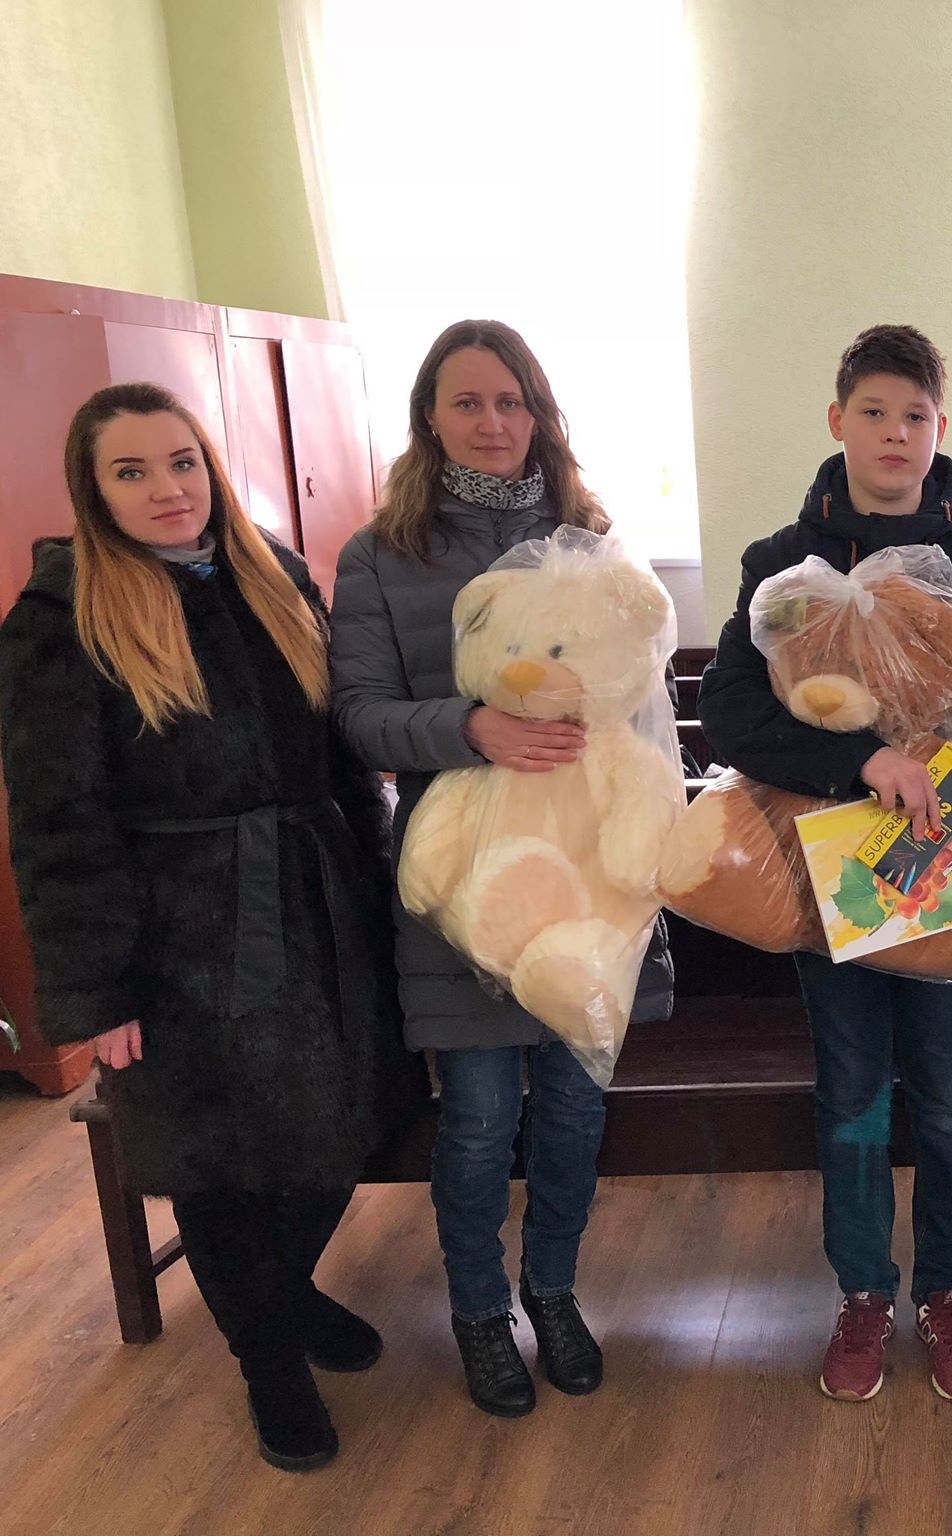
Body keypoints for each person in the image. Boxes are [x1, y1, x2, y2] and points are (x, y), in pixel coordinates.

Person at [0, 383, 418, 1471]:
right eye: (130, 471)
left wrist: (380, 886)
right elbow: (57, 821)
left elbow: (339, 760)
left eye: (182, 461)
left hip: (318, 901)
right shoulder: (63, 617)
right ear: (94, 491)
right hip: (175, 935)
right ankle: (269, 1361)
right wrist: (97, 990)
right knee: (222, 1161)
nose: (166, 488)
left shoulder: (273, 575)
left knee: (342, 1131)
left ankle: (281, 1297)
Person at [697, 324, 952, 1404]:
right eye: (873, 412)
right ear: (837, 421)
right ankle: (862, 1292)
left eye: (915, 416)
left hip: (947, 871)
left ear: (941, 429)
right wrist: (859, 761)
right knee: (850, 1091)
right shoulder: (783, 567)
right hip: (831, 876)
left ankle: (946, 1292)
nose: (895, 434)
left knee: (947, 1095)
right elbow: (730, 713)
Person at [330, 320, 676, 1418]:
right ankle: (480, 1311)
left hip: (590, 884)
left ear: (539, 414)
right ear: (429, 417)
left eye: (510, 401)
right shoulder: (381, 554)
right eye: (467, 401)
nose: (492, 422)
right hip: (463, 892)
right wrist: (468, 726)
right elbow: (359, 716)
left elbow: (641, 690)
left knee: (574, 1111)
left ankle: (554, 1290)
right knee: (479, 1118)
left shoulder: (591, 540)